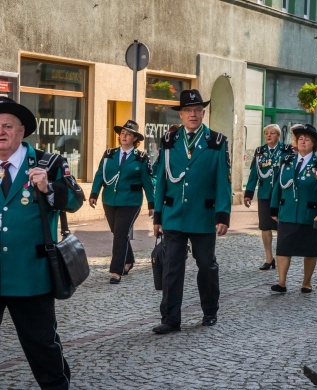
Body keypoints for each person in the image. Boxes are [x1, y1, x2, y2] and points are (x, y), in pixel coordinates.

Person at [0, 97, 84, 390]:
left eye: (7, 126)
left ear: (21, 130)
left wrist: (49, 188)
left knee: (42, 345)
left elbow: (76, 201)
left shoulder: (48, 162)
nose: (0, 132)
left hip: (31, 274)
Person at [152, 89, 232, 334]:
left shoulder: (216, 142)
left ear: (203, 113)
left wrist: (222, 215)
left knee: (206, 265)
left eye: (197, 110)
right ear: (182, 114)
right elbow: (162, 180)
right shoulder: (169, 141)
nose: (193, 114)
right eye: (188, 110)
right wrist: (157, 215)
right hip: (174, 214)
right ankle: (170, 318)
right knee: (171, 267)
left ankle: (210, 311)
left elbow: (223, 181)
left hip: (203, 215)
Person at [89, 120, 154, 284]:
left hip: (131, 202)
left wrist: (152, 204)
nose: (124, 136)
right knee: (118, 232)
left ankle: (116, 271)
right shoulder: (109, 154)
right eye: (122, 133)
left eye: (128, 134)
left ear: (134, 139)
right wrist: (94, 193)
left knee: (119, 234)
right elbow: (99, 174)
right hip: (110, 199)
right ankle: (129, 260)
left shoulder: (141, 158)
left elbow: (147, 182)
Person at [270, 124, 317, 293]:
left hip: (310, 213)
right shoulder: (287, 161)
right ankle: (281, 282)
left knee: (310, 249)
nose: (303, 142)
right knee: (283, 247)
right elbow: (278, 185)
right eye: (300, 139)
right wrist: (274, 209)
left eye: (307, 139)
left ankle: (306, 282)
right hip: (288, 210)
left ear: (314, 144)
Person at [244, 124, 294, 270]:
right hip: (265, 194)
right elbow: (254, 172)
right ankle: (268, 258)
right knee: (265, 227)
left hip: (281, 194)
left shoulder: (286, 150)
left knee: (281, 227)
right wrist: (248, 193)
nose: (269, 136)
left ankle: (281, 257)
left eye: (272, 133)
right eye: (266, 133)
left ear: (278, 136)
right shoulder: (260, 151)